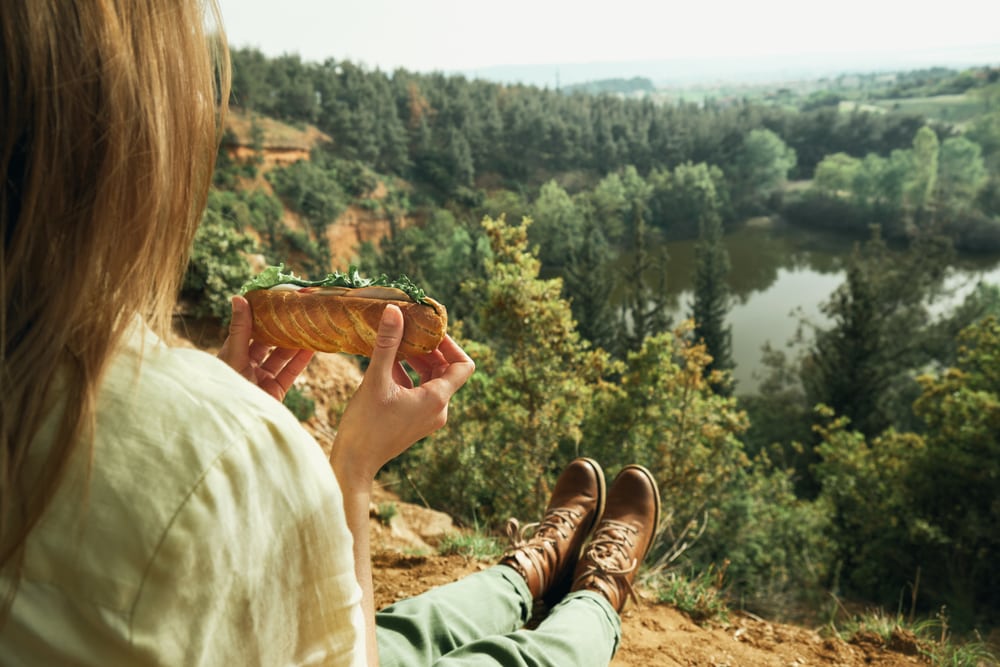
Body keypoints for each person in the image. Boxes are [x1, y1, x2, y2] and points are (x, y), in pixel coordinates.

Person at [0, 2, 659, 665]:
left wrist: (207, 409)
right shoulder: (227, 454)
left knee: (404, 633)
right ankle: (598, 595)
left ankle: (529, 569)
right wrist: (352, 466)